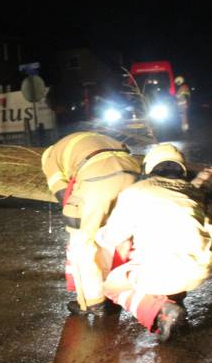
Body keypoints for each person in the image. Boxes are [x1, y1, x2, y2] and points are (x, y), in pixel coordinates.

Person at [95, 143, 212, 341]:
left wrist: (97, 234)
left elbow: (113, 237)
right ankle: (175, 306)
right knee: (177, 250)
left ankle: (165, 309)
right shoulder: (193, 192)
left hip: (163, 273)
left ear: (148, 168)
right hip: (199, 271)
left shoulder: (135, 192)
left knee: (112, 286)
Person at [41, 132, 142, 315]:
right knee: (113, 238)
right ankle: (114, 289)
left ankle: (91, 302)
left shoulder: (50, 159)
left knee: (82, 244)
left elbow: (63, 195)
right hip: (132, 173)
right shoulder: (89, 139)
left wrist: (76, 215)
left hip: (97, 178)